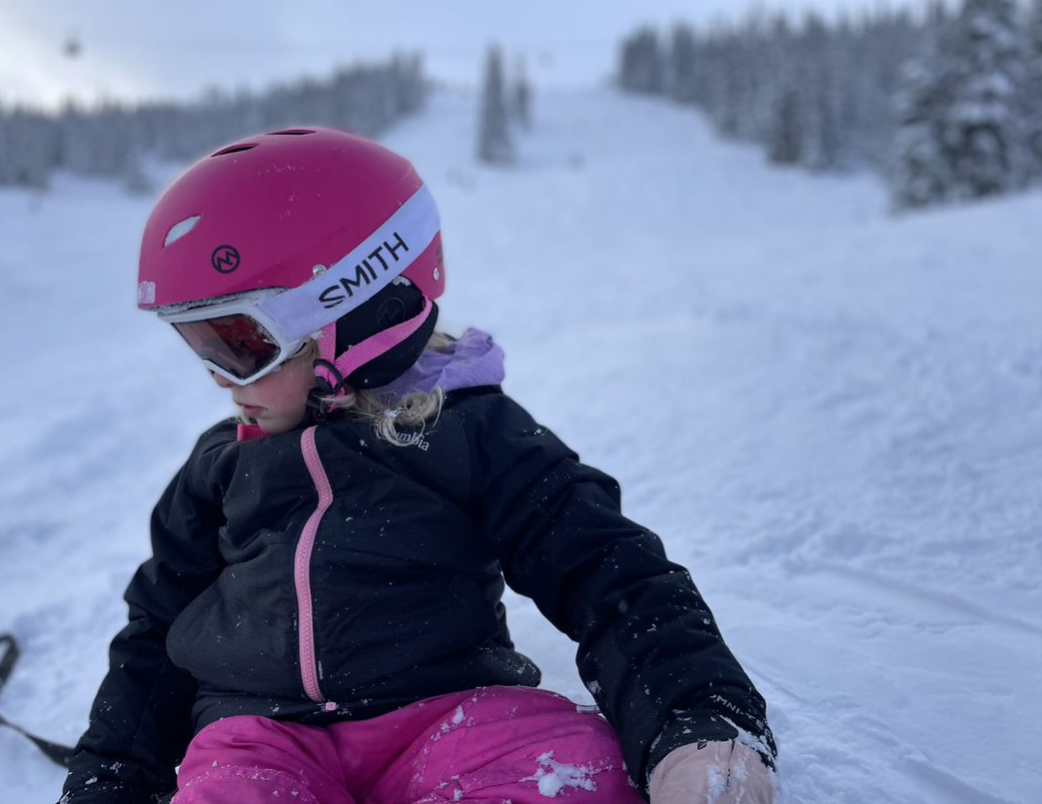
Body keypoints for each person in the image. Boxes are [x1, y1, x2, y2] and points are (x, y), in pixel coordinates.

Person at [57, 128, 778, 804]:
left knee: (573, 772)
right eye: (199, 345)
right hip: (259, 737)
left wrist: (696, 718)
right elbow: (156, 630)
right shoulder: (219, 468)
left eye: (238, 343)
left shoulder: (470, 433)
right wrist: (115, 775)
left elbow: (608, 571)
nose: (219, 378)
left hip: (452, 714)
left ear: (356, 317)